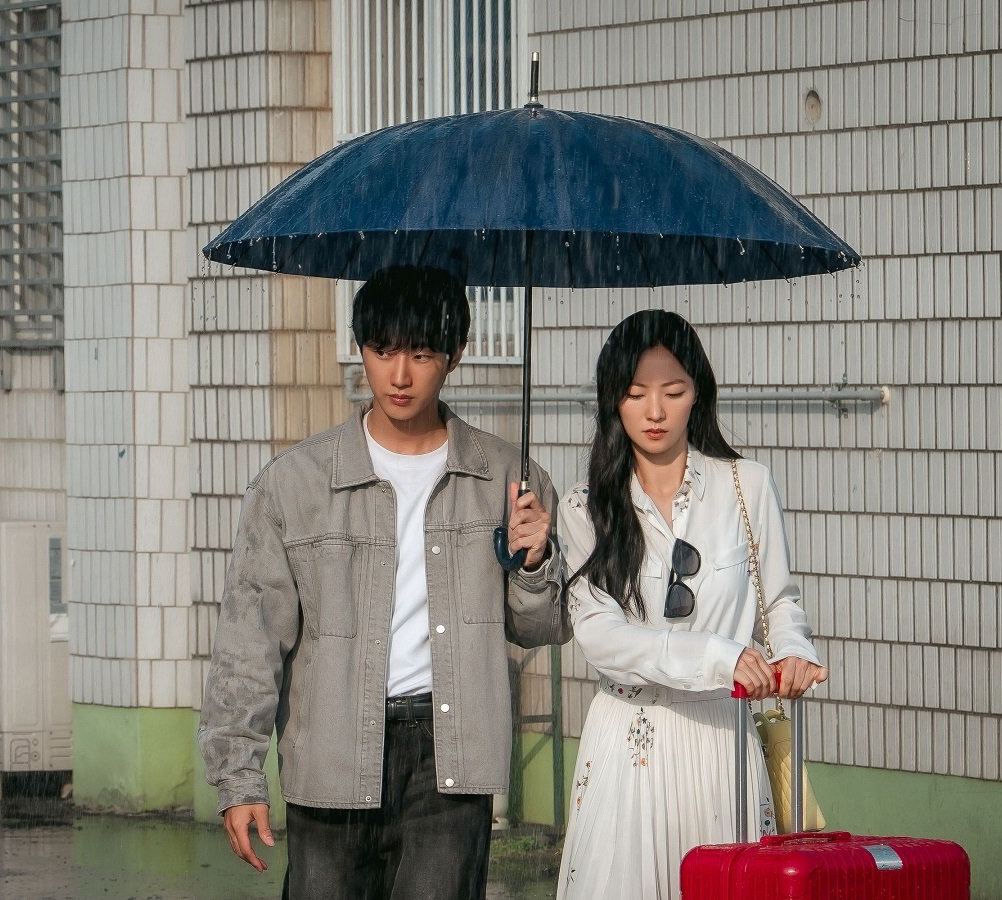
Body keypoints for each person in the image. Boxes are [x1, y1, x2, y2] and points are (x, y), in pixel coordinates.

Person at [198, 265, 573, 900]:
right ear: (361, 347)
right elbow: (249, 640)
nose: (399, 375)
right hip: (332, 745)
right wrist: (239, 777)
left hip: (449, 757)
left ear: (455, 354)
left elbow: (540, 628)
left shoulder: (510, 478)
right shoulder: (294, 483)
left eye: (421, 354)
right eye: (382, 351)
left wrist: (535, 563)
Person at [555, 309, 829, 900]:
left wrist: (793, 653)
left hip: (722, 742)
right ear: (613, 401)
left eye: (673, 391)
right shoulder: (584, 507)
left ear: (697, 392)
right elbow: (602, 638)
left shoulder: (746, 484)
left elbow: (779, 601)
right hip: (629, 748)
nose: (654, 411)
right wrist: (719, 656)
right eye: (636, 394)